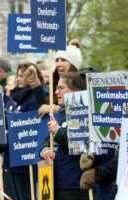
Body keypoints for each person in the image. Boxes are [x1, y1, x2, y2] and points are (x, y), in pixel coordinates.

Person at [0, 62, 47, 200]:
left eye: (23, 76)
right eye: (18, 75)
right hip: (12, 158)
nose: (19, 79)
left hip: (25, 161)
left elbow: (25, 130)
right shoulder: (17, 99)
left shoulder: (32, 100)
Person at [40, 71, 89, 200]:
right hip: (56, 182)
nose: (56, 92)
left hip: (75, 186)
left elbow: (81, 143)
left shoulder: (83, 111)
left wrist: (57, 131)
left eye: (61, 88)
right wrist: (45, 150)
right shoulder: (61, 111)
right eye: (56, 88)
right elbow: (48, 138)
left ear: (75, 90)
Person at [39, 39, 83, 118]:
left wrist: (57, 109)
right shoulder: (53, 85)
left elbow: (80, 111)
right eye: (57, 60)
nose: (58, 64)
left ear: (73, 65)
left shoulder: (83, 86)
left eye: (63, 60)